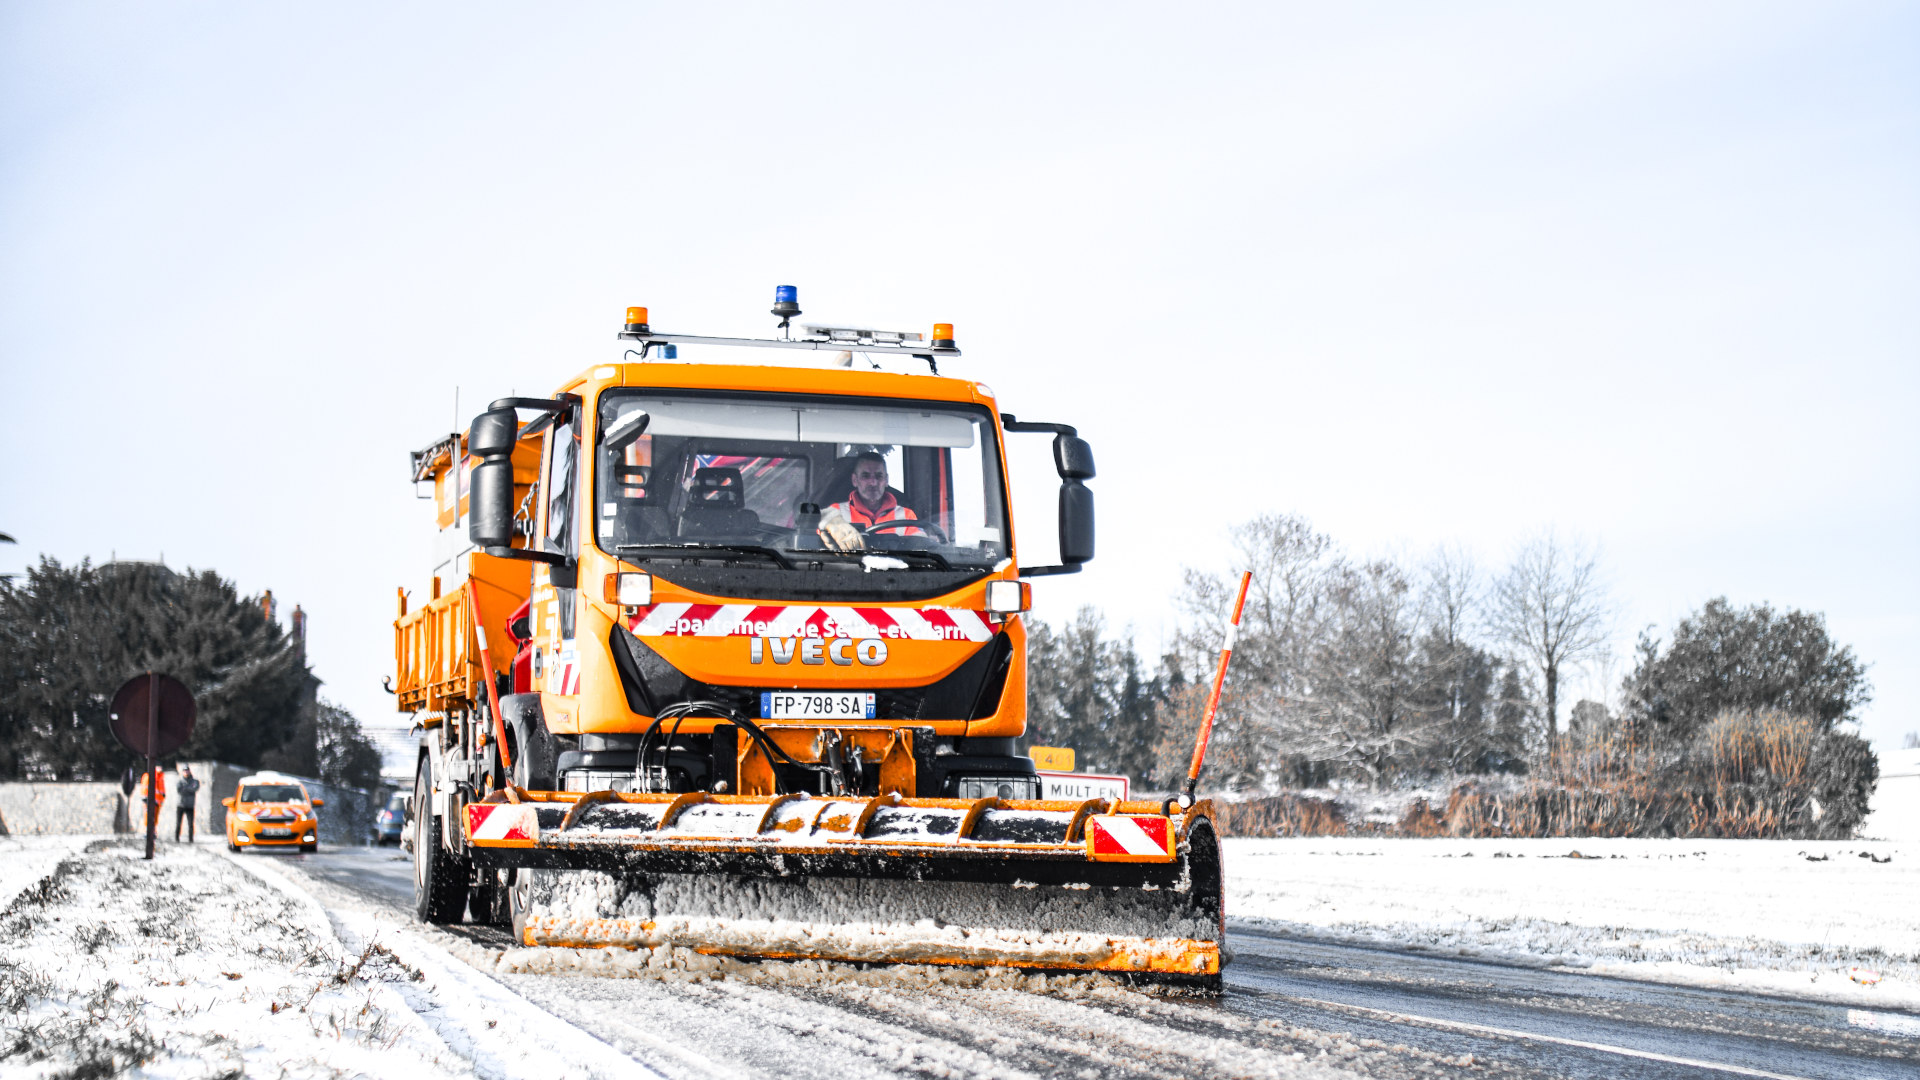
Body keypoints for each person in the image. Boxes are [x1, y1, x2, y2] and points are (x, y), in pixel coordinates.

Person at [825, 452, 922, 536]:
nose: (873, 483)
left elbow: (920, 547)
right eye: (865, 476)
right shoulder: (835, 512)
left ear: (886, 480)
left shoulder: (906, 515)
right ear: (855, 480)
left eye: (879, 476)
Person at [133, 766, 165, 833]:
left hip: (157, 802)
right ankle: (147, 831)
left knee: (155, 818)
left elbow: (161, 790)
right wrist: (145, 798)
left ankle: (153, 831)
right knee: (148, 817)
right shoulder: (148, 776)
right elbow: (145, 788)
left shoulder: (160, 777)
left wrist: (161, 799)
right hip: (149, 801)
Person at [174, 765, 200, 843]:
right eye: (184, 771)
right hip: (181, 805)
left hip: (190, 805)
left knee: (190, 824)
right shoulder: (180, 781)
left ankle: (190, 839)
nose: (186, 772)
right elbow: (179, 790)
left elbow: (195, 788)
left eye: (187, 770)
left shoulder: (194, 781)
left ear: (189, 771)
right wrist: (189, 789)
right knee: (178, 823)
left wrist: (185, 788)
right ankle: (177, 838)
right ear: (183, 772)